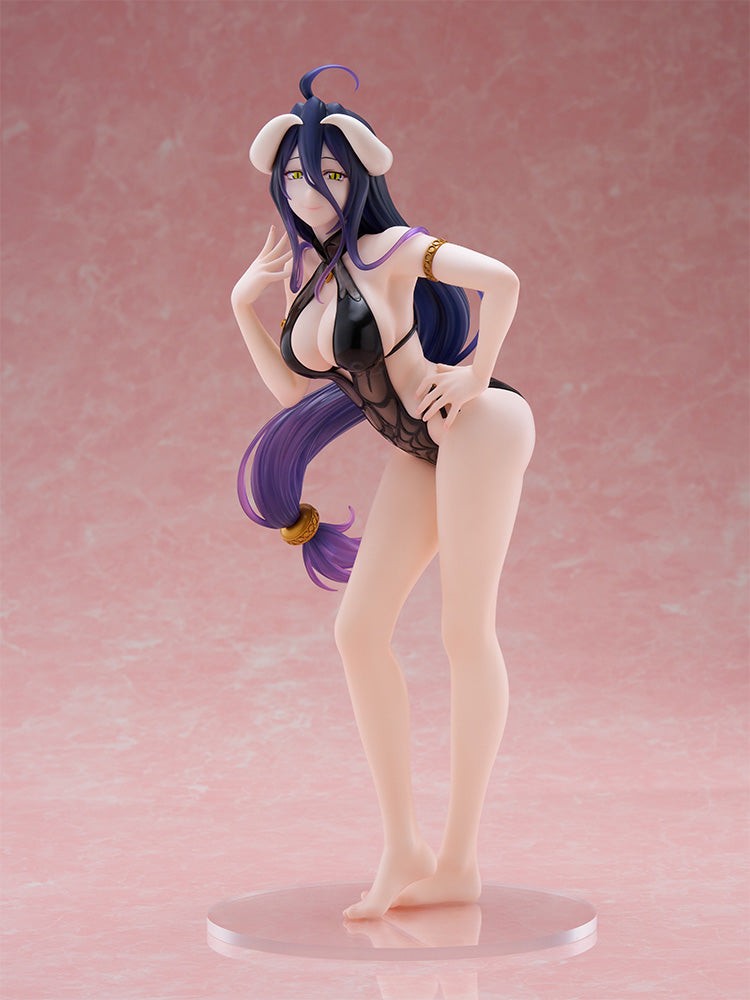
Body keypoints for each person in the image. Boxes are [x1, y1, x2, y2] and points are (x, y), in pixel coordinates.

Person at [231, 65, 535, 921]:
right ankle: (405, 845)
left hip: (477, 425)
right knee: (357, 631)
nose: (311, 190)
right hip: (418, 448)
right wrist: (243, 306)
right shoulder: (312, 281)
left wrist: (474, 374)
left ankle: (460, 860)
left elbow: (502, 279)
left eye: (328, 172)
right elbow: (291, 392)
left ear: (359, 177)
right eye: (296, 176)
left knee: (463, 630)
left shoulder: (395, 250)